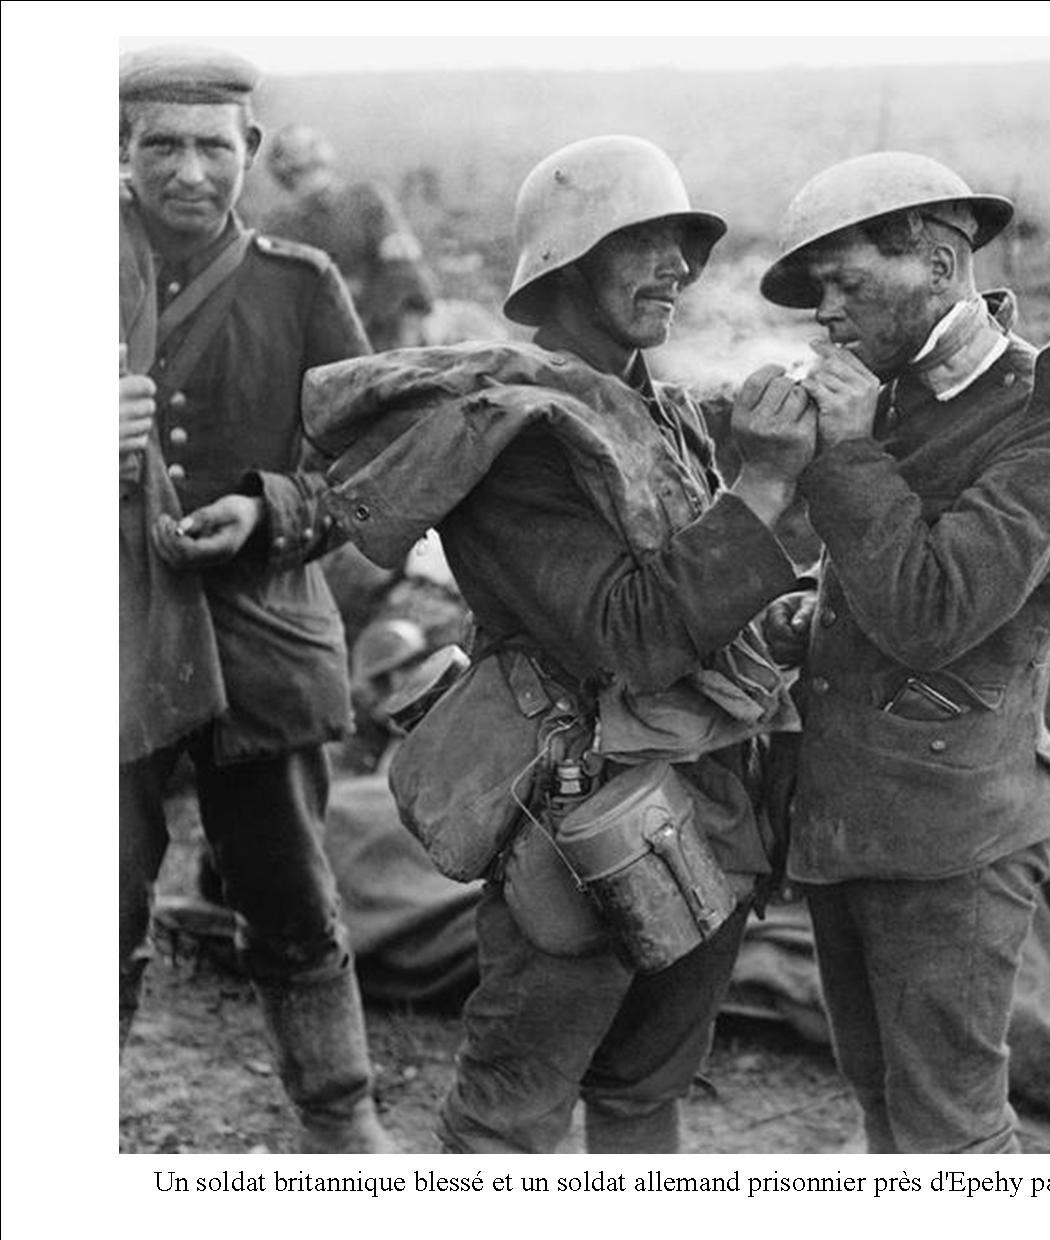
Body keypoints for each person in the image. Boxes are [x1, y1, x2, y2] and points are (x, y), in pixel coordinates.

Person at [303, 135, 817, 1154]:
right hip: (581, 821)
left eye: (682, 243)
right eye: (643, 241)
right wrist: (760, 489)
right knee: (509, 1120)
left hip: (706, 809)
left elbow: (698, 603)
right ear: (566, 260)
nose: (676, 265)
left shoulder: (655, 409)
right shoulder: (517, 433)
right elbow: (630, 634)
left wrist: (783, 619)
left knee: (645, 1088)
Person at [758, 152, 1050, 1153]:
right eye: (817, 289)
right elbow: (883, 584)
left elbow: (931, 611)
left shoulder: (1049, 424)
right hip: (852, 817)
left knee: (949, 1132)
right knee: (880, 1094)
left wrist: (839, 449)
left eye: (846, 281)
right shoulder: (899, 391)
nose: (825, 312)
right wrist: (807, 616)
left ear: (937, 258)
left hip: (950, 836)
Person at [117, 45, 394, 1153]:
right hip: (104, 638)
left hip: (259, 635)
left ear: (254, 152)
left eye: (212, 147)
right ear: (120, 149)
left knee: (288, 894)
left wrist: (272, 513)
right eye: (160, 144)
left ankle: (340, 1119)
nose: (188, 171)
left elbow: (371, 472)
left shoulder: (299, 285)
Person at [262, 124, 437, 350]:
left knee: (406, 272)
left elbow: (401, 254)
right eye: (304, 143)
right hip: (322, 323)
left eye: (317, 139)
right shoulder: (278, 224)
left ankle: (409, 356)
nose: (316, 146)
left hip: (378, 314)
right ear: (282, 164)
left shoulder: (365, 197)